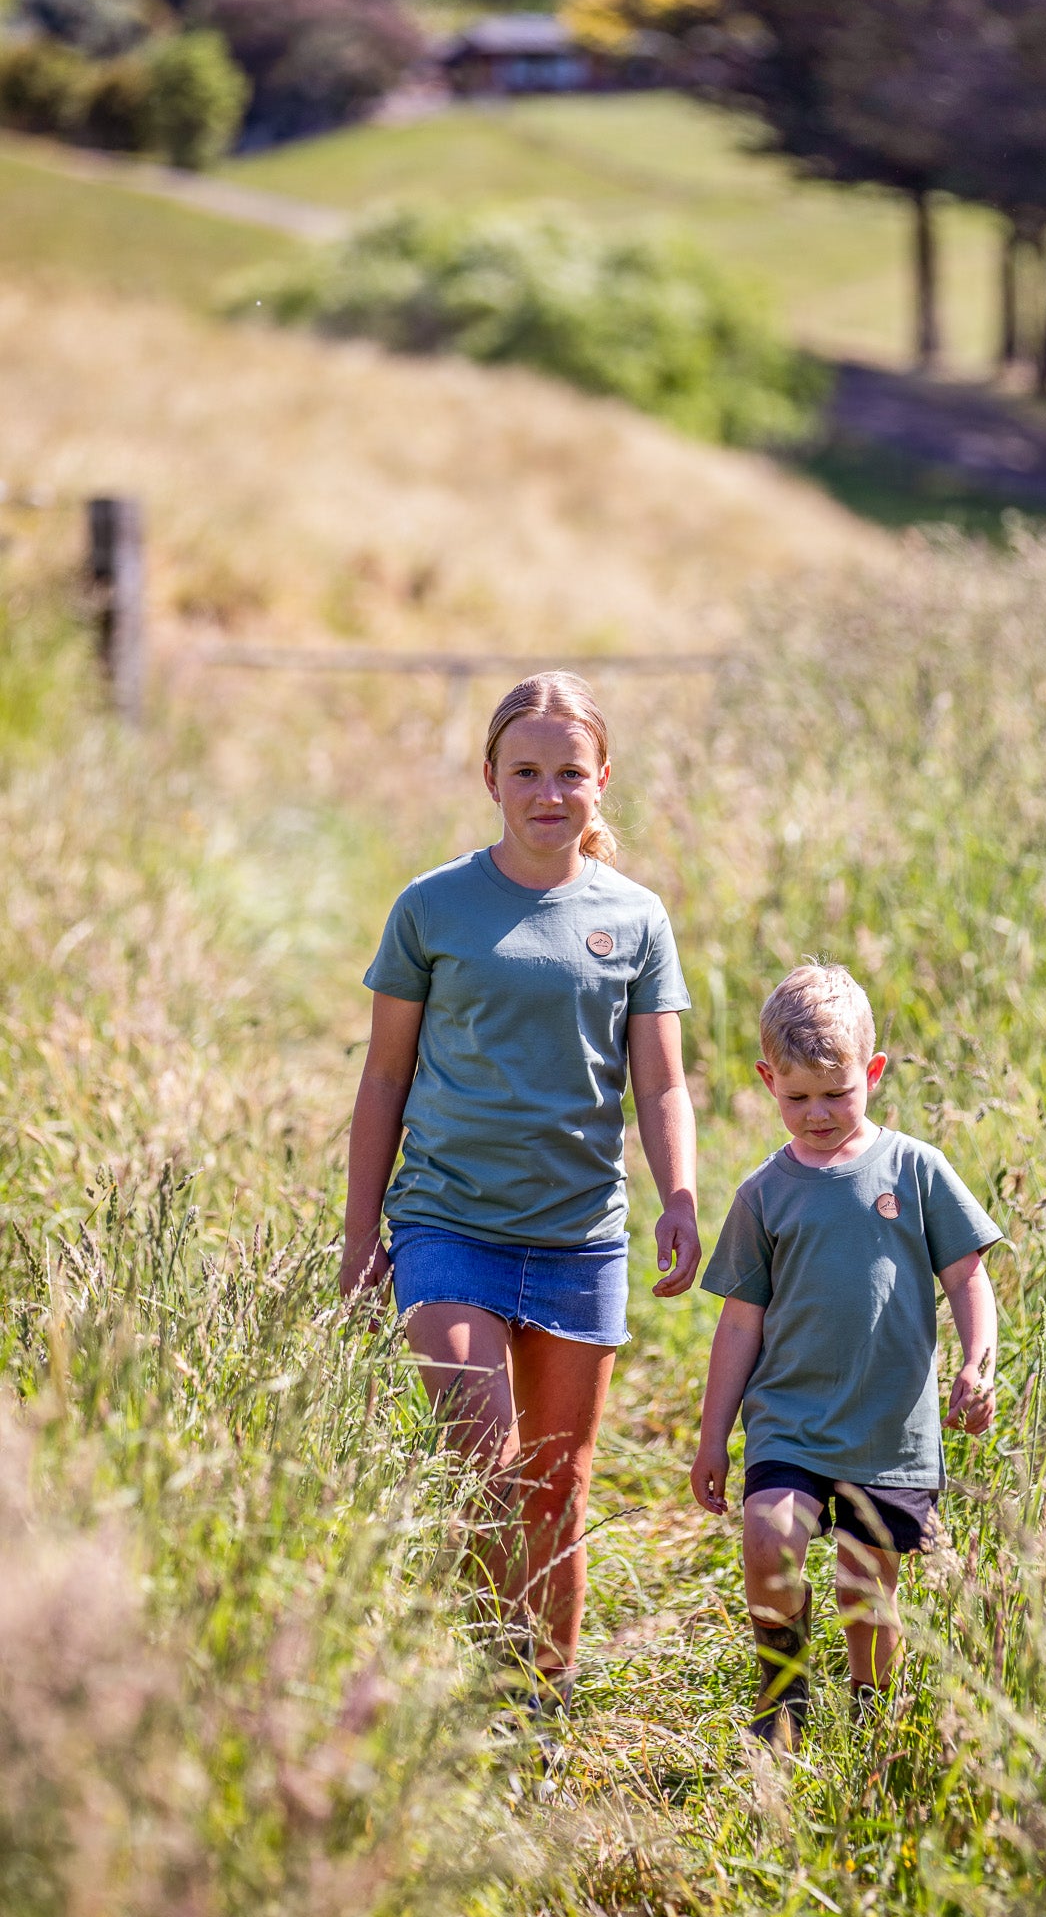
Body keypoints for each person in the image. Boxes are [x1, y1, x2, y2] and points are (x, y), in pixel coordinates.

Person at [342, 671, 699, 1712]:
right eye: (527, 770)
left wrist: (678, 1192)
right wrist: (363, 1233)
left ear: (602, 781)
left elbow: (664, 1079)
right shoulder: (433, 906)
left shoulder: (635, 918)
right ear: (490, 775)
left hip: (581, 1238)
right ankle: (491, 1678)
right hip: (448, 1224)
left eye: (570, 772)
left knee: (559, 1483)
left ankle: (545, 1702)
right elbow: (382, 1078)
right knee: (483, 1462)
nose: (549, 792)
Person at [690, 963, 1002, 1751]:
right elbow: (737, 1324)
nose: (818, 1114)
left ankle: (871, 1716)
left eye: (836, 1093)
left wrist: (977, 1362)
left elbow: (967, 1274)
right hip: (789, 1420)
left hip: (885, 1428)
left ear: (872, 1073)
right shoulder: (765, 1192)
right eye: (797, 1098)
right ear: (766, 1081)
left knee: (867, 1591)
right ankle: (782, 1695)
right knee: (768, 1538)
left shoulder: (914, 1169)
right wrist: (711, 1437)